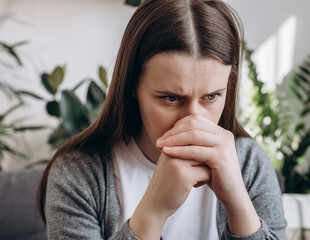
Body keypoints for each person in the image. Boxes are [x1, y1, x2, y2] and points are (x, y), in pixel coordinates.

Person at [37, 0, 287, 239]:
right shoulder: (77, 175)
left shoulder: (249, 163)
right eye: (170, 98)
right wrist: (153, 211)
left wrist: (236, 199)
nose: (193, 120)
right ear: (133, 85)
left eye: (211, 96)